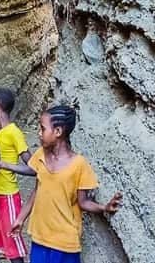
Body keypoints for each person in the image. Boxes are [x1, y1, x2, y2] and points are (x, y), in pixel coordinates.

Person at [9, 105, 124, 263]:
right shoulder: (40, 155)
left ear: (57, 132)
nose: (39, 133)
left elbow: (83, 202)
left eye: (42, 129)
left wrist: (104, 208)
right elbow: (38, 190)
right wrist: (20, 219)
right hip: (40, 237)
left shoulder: (79, 165)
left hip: (65, 242)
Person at [0, 88, 35, 263]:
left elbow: (34, 168)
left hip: (7, 198)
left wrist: (4, 165)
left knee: (14, 251)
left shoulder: (14, 133)